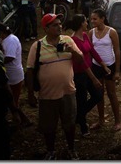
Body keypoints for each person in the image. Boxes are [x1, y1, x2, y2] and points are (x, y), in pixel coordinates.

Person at [26, 13, 84, 160]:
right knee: (49, 127)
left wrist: (70, 50)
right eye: (55, 25)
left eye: (59, 24)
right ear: (46, 29)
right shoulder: (37, 46)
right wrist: (30, 93)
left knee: (70, 124)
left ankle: (71, 149)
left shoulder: (68, 40)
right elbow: (30, 70)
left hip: (68, 92)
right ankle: (51, 151)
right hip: (47, 95)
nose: (59, 27)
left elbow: (81, 60)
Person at [68, 14, 110, 137]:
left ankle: (78, 115)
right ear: (81, 24)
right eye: (86, 21)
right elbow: (82, 63)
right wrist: (93, 78)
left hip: (89, 70)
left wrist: (103, 65)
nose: (88, 23)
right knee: (81, 99)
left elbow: (92, 51)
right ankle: (83, 125)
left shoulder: (85, 35)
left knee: (98, 95)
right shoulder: (74, 40)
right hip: (80, 74)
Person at [88, 9, 121, 131]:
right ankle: (101, 119)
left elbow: (117, 51)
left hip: (110, 65)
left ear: (102, 19)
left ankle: (117, 120)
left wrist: (117, 71)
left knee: (111, 93)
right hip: (96, 66)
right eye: (91, 19)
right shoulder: (91, 32)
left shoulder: (111, 32)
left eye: (95, 19)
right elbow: (90, 50)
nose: (92, 21)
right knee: (99, 94)